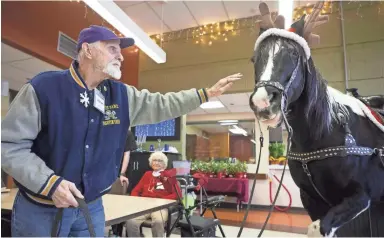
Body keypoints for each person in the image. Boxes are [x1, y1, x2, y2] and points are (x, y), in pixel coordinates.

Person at [1, 25, 242, 237]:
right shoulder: (43, 88)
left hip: (91, 208)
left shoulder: (122, 96)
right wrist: (49, 183)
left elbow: (163, 104)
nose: (121, 57)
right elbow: (8, 145)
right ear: (87, 50)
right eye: (113, 49)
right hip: (41, 210)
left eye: (120, 51)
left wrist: (204, 94)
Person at [126, 152, 180, 237]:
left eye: (160, 161)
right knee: (131, 221)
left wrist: (162, 201)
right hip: (145, 205)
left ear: (164, 164)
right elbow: (135, 190)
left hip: (160, 207)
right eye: (154, 160)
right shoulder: (147, 174)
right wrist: (136, 200)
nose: (156, 163)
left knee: (158, 221)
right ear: (151, 162)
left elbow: (177, 194)